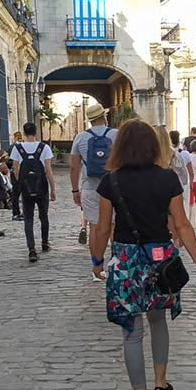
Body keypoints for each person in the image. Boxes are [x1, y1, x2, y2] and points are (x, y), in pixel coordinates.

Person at [89, 119, 196, 390]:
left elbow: (104, 228)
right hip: (160, 258)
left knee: (131, 332)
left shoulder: (111, 182)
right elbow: (182, 225)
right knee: (159, 321)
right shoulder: (167, 179)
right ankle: (161, 383)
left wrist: (97, 260)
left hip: (127, 261)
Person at [70, 103, 118, 281]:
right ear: (104, 117)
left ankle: (96, 266)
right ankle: (116, 264)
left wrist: (75, 189)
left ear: (90, 120)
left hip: (90, 188)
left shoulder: (80, 138)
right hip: (113, 187)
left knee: (95, 227)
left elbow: (74, 167)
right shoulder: (115, 135)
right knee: (113, 226)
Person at [11, 122, 57, 263]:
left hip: (26, 189)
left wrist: (22, 184)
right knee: (43, 216)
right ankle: (44, 242)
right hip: (41, 187)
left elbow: (16, 171)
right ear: (36, 132)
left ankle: (31, 249)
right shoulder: (44, 148)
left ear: (24, 133)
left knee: (28, 218)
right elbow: (48, 170)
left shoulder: (17, 148)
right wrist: (53, 188)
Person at [8, 131, 24, 221]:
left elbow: (8, 161)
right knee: (24, 193)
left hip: (14, 173)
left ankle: (16, 212)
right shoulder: (24, 146)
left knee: (15, 194)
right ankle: (25, 212)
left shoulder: (12, 147)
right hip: (23, 173)